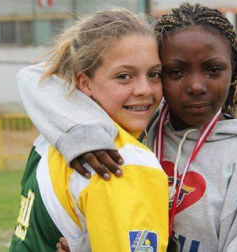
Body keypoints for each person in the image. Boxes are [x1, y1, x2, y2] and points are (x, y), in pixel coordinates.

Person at [18, 4, 237, 252]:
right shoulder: (137, 126)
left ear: (233, 73)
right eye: (175, 72)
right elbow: (33, 79)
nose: (196, 86)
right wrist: (81, 132)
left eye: (213, 70)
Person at [9, 9, 169, 252]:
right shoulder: (119, 160)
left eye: (154, 74)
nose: (145, 89)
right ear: (85, 83)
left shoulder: (50, 139)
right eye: (124, 76)